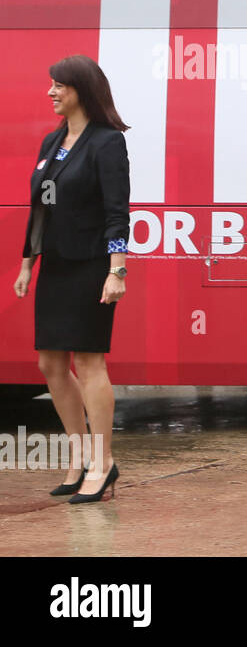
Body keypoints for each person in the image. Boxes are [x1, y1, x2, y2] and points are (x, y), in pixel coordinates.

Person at [14, 55, 130, 503]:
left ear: (82, 89)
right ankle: (79, 456)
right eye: (51, 84)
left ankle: (103, 463)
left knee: (90, 361)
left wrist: (116, 270)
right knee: (50, 364)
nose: (51, 92)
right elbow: (40, 206)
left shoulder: (107, 143)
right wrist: (28, 262)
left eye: (59, 85)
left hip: (91, 266)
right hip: (56, 266)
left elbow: (117, 211)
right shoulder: (52, 141)